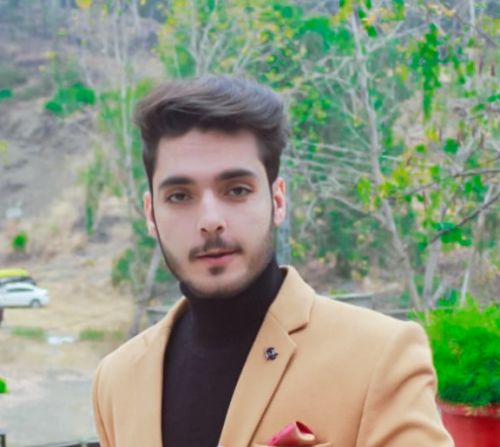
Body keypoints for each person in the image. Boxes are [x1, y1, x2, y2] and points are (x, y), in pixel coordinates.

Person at [92, 77, 454, 447]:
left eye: (236, 190)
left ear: (277, 201)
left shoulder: (379, 356)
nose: (210, 220)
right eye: (180, 196)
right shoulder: (117, 381)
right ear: (151, 214)